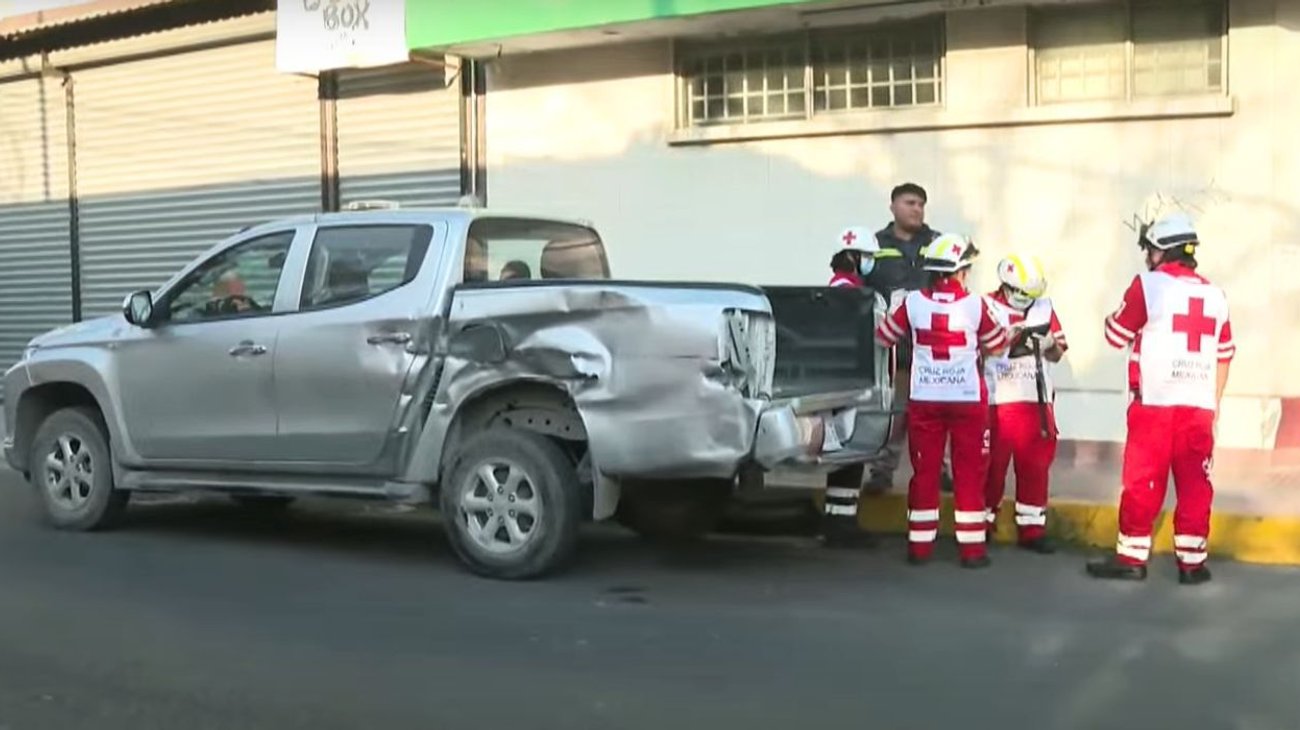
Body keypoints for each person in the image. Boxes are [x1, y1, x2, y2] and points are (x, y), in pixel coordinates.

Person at [1086, 212, 1234, 585]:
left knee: (1142, 481)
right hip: (1199, 408)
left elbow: (1115, 335)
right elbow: (1224, 354)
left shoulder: (1148, 286)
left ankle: (1132, 558)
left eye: (1150, 249)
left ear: (1161, 251)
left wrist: (1111, 316)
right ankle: (1192, 563)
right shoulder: (1216, 295)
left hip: (1154, 403)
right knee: (1196, 484)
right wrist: (1212, 405)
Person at [875, 234, 1014, 568]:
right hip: (967, 399)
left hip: (925, 398)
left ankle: (919, 547)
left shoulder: (911, 303)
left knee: (925, 472)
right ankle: (972, 550)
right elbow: (997, 345)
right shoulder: (976, 305)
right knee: (969, 472)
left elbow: (884, 337)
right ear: (959, 271)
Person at [867, 183, 950, 492]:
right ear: (893, 206)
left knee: (935, 412)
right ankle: (881, 472)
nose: (917, 209)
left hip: (933, 345)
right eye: (910, 202)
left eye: (921, 204)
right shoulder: (876, 245)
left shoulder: (937, 243)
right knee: (895, 412)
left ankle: (940, 470)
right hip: (895, 349)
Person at [983, 255, 1068, 553]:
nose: (1026, 301)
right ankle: (982, 524)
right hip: (997, 400)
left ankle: (1032, 528)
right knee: (990, 467)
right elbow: (974, 349)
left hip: (1035, 399)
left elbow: (1058, 353)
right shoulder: (986, 306)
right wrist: (1001, 341)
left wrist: (1050, 345)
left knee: (1035, 467)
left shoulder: (1044, 307)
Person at [821, 226, 885, 548]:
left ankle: (840, 519)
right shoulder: (848, 291)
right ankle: (839, 524)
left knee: (849, 451)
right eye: (867, 257)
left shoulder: (845, 287)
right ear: (851, 256)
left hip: (846, 379)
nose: (871, 263)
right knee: (849, 450)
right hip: (848, 382)